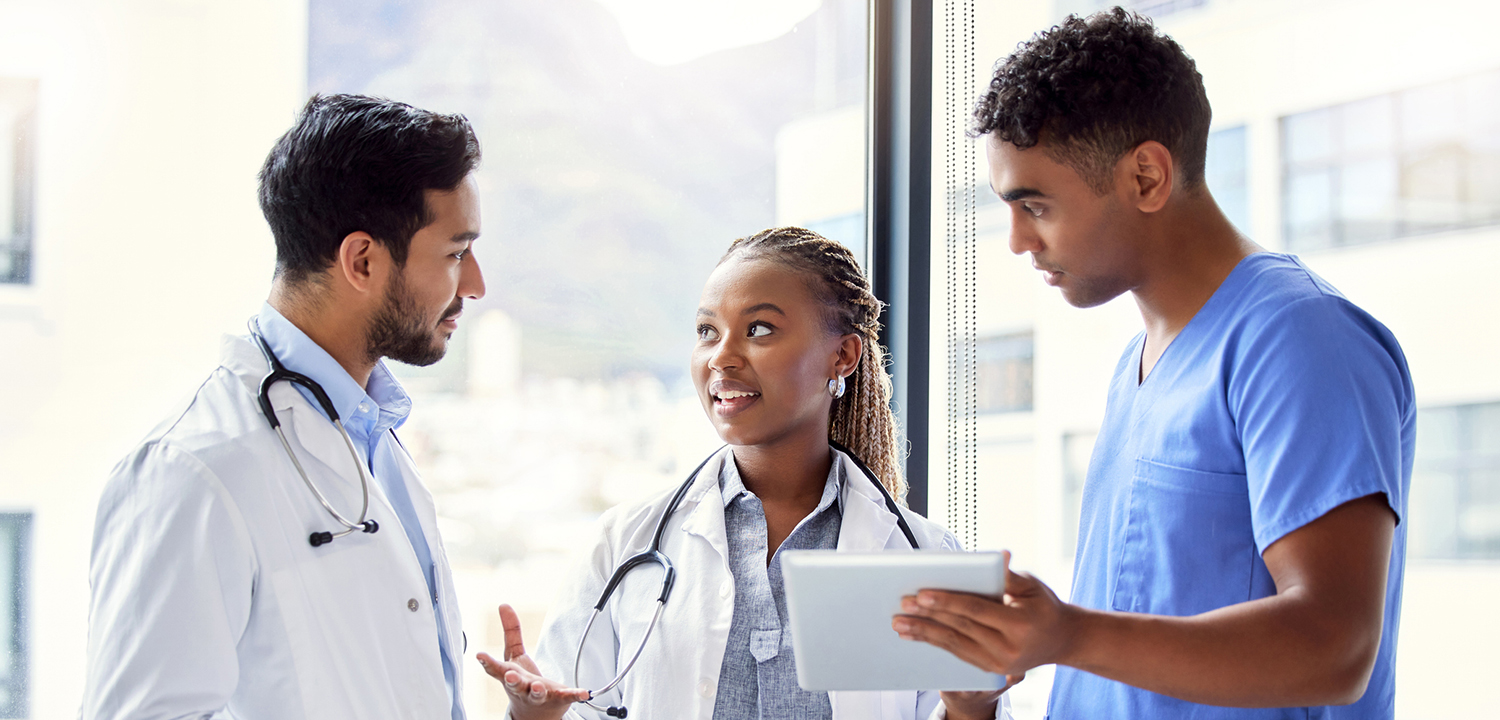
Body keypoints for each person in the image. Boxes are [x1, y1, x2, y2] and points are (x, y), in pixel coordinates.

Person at [891, 9, 1415, 719]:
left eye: (1035, 204)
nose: (1017, 241)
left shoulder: (1301, 339)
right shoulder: (1135, 367)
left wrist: (1067, 634)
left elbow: (1334, 646)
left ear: (1145, 176)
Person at [475, 227, 1017, 720]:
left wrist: (972, 711)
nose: (721, 357)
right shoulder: (626, 543)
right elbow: (574, 706)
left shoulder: (925, 557)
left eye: (758, 329)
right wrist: (534, 716)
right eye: (707, 331)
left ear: (843, 356)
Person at [82, 94, 485, 719]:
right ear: (362, 260)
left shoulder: (371, 435)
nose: (476, 284)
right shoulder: (191, 469)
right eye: (457, 254)